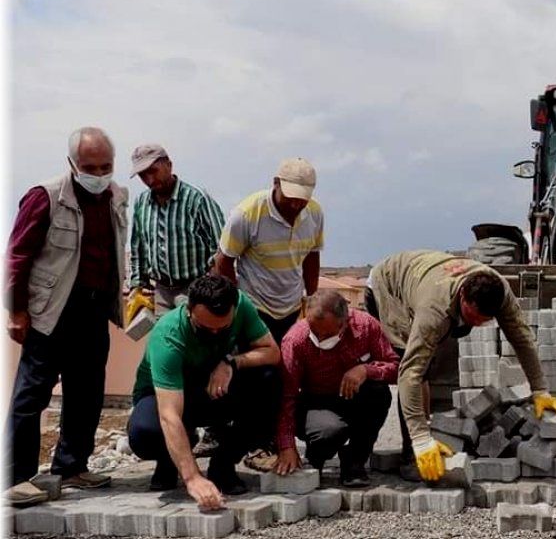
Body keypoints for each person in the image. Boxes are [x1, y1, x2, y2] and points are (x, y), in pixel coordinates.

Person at [4, 127, 129, 507]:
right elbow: (17, 256)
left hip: (94, 307)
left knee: (87, 391)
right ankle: (15, 477)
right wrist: (16, 310)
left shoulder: (117, 197)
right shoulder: (46, 196)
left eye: (106, 166)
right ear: (72, 164)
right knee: (33, 391)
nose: (99, 174)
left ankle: (72, 466)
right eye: (90, 167)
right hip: (53, 308)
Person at [367, 250, 556, 482]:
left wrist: (540, 389)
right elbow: (410, 373)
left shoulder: (501, 292)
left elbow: (522, 339)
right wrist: (421, 439)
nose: (477, 324)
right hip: (388, 285)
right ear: (462, 294)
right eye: (472, 316)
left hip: (422, 276)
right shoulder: (434, 311)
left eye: (484, 321)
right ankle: (413, 454)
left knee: (426, 367)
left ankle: (424, 437)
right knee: (415, 367)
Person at [126, 274, 281, 510]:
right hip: (169, 398)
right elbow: (169, 415)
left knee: (269, 380)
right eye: (206, 329)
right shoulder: (168, 334)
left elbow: (272, 352)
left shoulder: (241, 304)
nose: (215, 334)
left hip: (213, 390)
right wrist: (193, 478)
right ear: (189, 310)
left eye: (223, 329)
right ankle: (171, 459)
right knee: (144, 434)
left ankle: (223, 463)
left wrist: (231, 362)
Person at [213, 157, 323, 470]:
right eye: (291, 198)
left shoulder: (314, 213)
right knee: (261, 379)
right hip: (255, 307)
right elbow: (223, 261)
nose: (296, 206)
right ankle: (254, 446)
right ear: (275, 185)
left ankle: (277, 441)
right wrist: (239, 306)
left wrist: (310, 299)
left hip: (291, 308)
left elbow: (312, 255)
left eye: (302, 200)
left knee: (288, 376)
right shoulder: (248, 214)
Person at [274, 290, 398, 487]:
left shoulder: (366, 326)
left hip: (355, 397)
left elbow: (395, 367)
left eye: (328, 334)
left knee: (379, 393)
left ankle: (355, 461)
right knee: (329, 432)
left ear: (344, 322)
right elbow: (287, 396)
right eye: (315, 332)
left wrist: (365, 370)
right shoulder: (295, 340)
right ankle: (315, 457)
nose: (321, 338)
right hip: (316, 402)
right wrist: (286, 446)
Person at [127, 143, 226, 317]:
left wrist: (209, 290)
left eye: (153, 171)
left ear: (169, 165)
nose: (150, 180)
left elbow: (220, 247)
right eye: (143, 175)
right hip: (161, 292)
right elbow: (138, 248)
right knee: (164, 333)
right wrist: (137, 286)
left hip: (195, 288)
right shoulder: (141, 203)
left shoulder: (197, 199)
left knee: (193, 332)